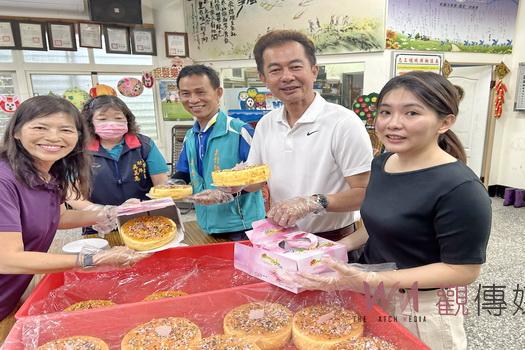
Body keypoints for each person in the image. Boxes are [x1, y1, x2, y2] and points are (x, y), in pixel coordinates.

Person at [285, 72, 492, 350]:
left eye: (412, 113)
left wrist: (375, 279)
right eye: (385, 112)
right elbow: (377, 222)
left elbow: (463, 270)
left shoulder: (460, 188)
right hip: (373, 289)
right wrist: (332, 249)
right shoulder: (382, 164)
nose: (393, 124)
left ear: (445, 122)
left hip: (422, 306)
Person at [0, 95, 145, 339]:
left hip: (12, 294)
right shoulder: (5, 180)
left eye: (65, 129)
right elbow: (7, 259)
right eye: (40, 127)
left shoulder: (48, 172)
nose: (54, 137)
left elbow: (54, 217)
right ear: (16, 132)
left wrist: (113, 212)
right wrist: (91, 259)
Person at [246, 30, 373, 253]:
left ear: (314, 71)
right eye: (275, 70)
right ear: (264, 79)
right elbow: (254, 181)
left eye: (295, 66)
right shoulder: (266, 124)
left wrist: (315, 202)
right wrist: (228, 187)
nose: (286, 77)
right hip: (279, 241)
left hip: (334, 243)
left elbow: (366, 193)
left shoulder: (343, 122)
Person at [170, 64, 265, 240]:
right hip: (206, 223)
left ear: (218, 92)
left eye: (200, 92)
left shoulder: (239, 131)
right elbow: (184, 172)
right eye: (186, 93)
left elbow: (260, 179)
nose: (193, 100)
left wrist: (227, 193)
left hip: (242, 226)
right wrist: (171, 185)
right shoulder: (190, 136)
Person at [67, 95, 170, 235]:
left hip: (145, 221)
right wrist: (105, 212)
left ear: (127, 120)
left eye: (118, 118)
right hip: (98, 225)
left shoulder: (145, 145)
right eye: (102, 119)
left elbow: (161, 186)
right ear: (89, 122)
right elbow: (72, 195)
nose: (111, 123)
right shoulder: (79, 150)